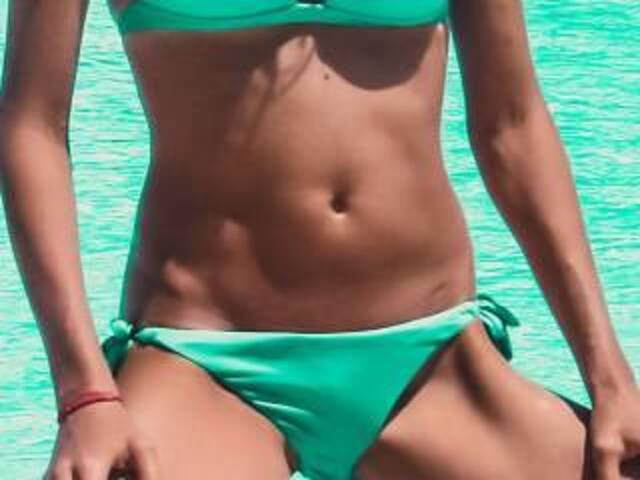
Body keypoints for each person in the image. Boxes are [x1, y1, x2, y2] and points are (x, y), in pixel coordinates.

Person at [0, 0, 638, 478]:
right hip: (206, 362)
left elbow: (512, 125)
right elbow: (31, 127)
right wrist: (85, 394)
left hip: (432, 364)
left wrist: (611, 380)